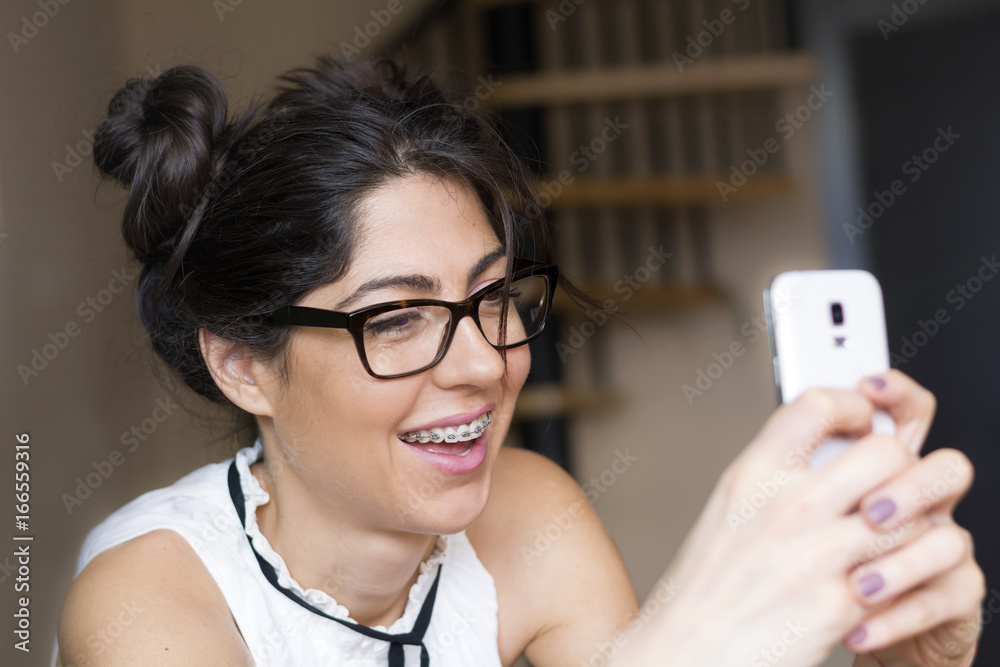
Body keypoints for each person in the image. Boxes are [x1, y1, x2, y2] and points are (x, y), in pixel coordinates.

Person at [55, 54, 982, 666]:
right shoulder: (143, 603)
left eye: (493, 298)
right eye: (398, 317)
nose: (482, 364)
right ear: (242, 366)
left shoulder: (530, 516)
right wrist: (693, 633)